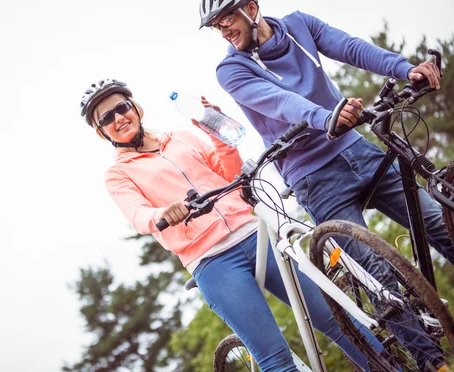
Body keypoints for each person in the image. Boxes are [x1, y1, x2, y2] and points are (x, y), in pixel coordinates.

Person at [199, 0, 453, 371]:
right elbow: (278, 101)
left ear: (250, 8)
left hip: (358, 150)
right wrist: (326, 116)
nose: (223, 30)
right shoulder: (230, 69)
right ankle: (432, 364)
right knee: (374, 268)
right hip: (314, 178)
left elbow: (350, 48)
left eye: (225, 19)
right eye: (216, 26)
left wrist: (405, 69)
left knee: (438, 221)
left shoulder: (300, 25)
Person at [80, 78, 385, 371]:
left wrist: (217, 131)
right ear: (100, 131)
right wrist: (162, 214)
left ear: (135, 107)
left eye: (121, 108)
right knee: (275, 357)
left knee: (336, 318)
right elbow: (138, 215)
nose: (118, 118)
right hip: (213, 262)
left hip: (254, 234)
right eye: (107, 118)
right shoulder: (118, 174)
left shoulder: (181, 138)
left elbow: (230, 177)